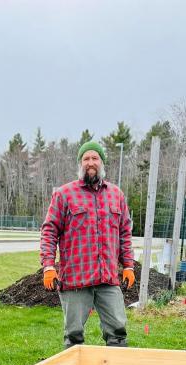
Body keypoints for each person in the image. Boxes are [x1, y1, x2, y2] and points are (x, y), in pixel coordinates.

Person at [40, 140, 135, 348]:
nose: (90, 162)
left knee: (118, 332)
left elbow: (124, 233)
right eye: (86, 159)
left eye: (95, 158)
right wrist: (48, 266)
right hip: (76, 278)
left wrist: (128, 265)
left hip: (107, 277)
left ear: (102, 162)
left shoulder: (116, 195)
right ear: (80, 163)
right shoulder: (64, 194)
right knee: (74, 337)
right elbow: (49, 231)